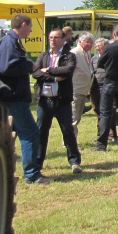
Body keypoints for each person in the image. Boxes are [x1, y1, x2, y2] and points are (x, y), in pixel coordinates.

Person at [0, 14, 52, 185]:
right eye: (30, 26)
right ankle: (32, 174)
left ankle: (25, 172)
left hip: (12, 96)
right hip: (12, 97)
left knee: (18, 134)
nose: (31, 30)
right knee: (31, 133)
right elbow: (6, 67)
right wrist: (28, 65)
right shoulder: (9, 42)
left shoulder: (11, 42)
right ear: (23, 25)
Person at [33, 28, 82, 174]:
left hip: (62, 101)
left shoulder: (69, 56)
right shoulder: (43, 55)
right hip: (44, 101)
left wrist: (47, 70)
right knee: (41, 132)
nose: (52, 40)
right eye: (50, 37)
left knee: (68, 131)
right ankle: (37, 163)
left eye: (55, 37)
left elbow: (67, 71)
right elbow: (35, 73)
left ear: (63, 39)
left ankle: (74, 162)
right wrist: (53, 77)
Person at [70, 32, 94, 141]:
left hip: (84, 89)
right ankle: (69, 141)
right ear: (80, 42)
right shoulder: (74, 53)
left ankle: (71, 140)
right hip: (75, 89)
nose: (89, 44)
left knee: (78, 117)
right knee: (73, 117)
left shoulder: (87, 53)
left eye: (91, 42)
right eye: (87, 42)